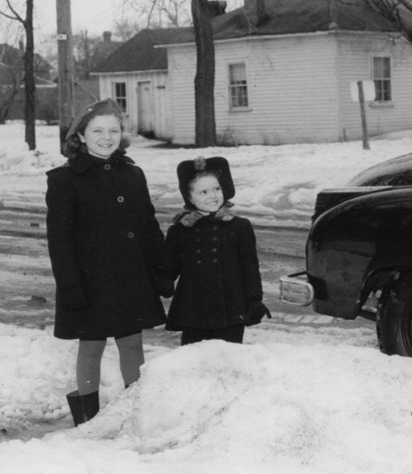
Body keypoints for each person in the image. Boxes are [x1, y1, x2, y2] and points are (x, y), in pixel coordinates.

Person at [46, 98, 168, 426]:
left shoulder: (132, 174)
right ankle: (88, 418)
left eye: (113, 130)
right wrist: (70, 285)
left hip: (129, 277)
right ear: (81, 136)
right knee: (91, 343)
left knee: (131, 342)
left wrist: (161, 271)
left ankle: (135, 409)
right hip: (89, 281)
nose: (106, 137)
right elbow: (59, 241)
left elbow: (148, 227)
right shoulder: (64, 179)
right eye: (97, 130)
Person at [162, 156, 269, 346]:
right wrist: (163, 281)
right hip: (193, 306)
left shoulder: (240, 226)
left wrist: (254, 300)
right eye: (203, 192)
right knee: (193, 356)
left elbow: (249, 267)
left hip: (230, 306)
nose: (212, 196)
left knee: (228, 355)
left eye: (216, 189)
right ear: (189, 197)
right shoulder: (180, 230)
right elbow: (170, 264)